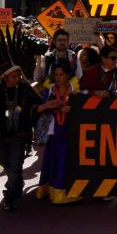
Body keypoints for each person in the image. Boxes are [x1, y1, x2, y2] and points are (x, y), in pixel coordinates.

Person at [0, 66, 41, 211]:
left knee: (15, 165)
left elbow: (34, 107)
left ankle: (10, 195)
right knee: (6, 163)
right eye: (13, 76)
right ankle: (17, 183)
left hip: (19, 136)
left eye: (18, 76)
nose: (17, 79)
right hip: (0, 135)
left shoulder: (24, 90)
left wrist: (45, 104)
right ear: (5, 77)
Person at [35, 62, 76, 204]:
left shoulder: (75, 89)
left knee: (66, 159)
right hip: (53, 131)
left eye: (62, 75)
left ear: (68, 75)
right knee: (53, 158)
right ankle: (51, 190)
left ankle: (66, 191)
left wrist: (71, 109)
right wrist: (50, 106)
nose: (58, 78)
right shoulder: (50, 90)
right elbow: (42, 107)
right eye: (56, 75)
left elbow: (82, 109)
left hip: (69, 131)